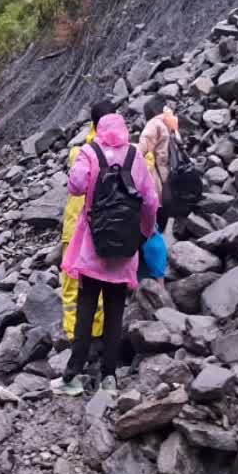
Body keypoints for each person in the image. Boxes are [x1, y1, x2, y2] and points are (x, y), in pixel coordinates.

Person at [54, 113, 159, 397]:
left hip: (94, 246)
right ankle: (109, 377)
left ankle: (72, 375)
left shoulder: (89, 152)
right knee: (115, 311)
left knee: (86, 308)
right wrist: (144, 232)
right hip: (124, 249)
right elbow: (150, 200)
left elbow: (75, 186)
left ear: (97, 129)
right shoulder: (135, 156)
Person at [61, 101, 115, 341]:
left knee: (72, 281)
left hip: (76, 226)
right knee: (101, 278)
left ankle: (74, 333)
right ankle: (98, 331)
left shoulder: (80, 152)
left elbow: (76, 186)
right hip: (106, 227)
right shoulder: (126, 153)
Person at [138, 97, 181, 234]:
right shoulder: (171, 123)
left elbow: (141, 150)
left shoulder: (153, 124)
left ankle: (156, 239)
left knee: (154, 215)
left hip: (157, 178)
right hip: (172, 175)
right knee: (164, 213)